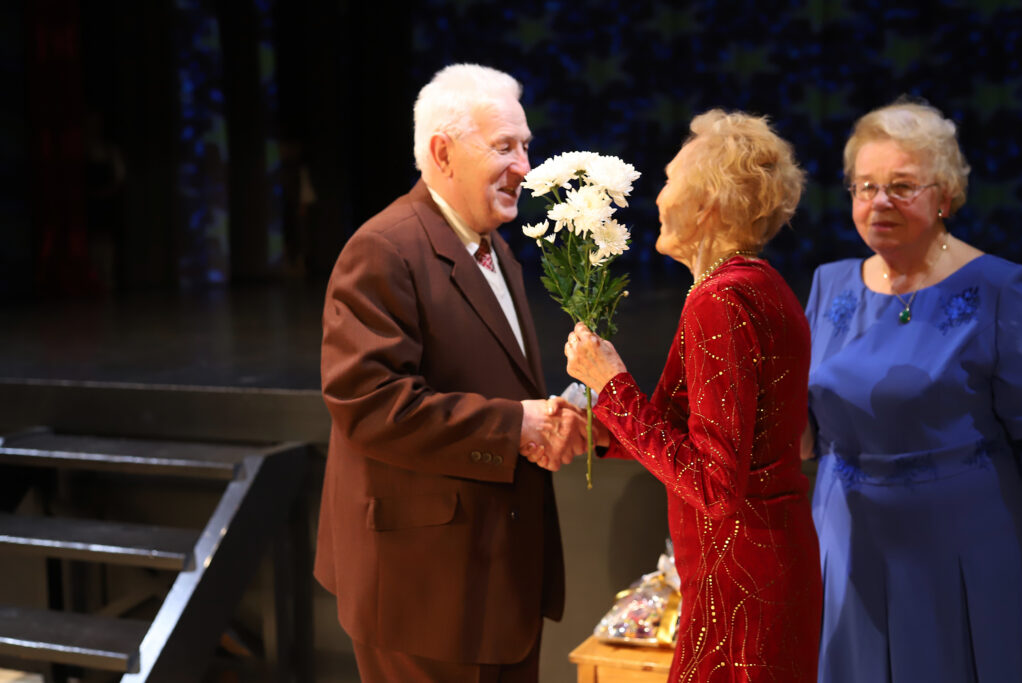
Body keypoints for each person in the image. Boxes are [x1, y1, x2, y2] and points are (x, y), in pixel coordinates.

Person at [313, 63, 588, 683]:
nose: (525, 167)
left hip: (494, 581)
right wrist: (516, 426)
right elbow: (370, 404)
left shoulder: (497, 251)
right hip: (424, 591)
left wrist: (545, 422)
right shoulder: (384, 249)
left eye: (526, 147)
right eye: (505, 147)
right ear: (442, 153)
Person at [563, 110, 822, 681]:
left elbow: (713, 484)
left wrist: (611, 384)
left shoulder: (720, 302)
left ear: (707, 205)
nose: (657, 197)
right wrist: (602, 430)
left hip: (738, 584)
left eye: (667, 179)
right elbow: (706, 444)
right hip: (761, 566)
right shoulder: (761, 286)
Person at [803, 98, 1022, 682]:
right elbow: (800, 428)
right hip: (845, 538)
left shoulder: (1000, 288)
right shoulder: (828, 283)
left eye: (901, 186)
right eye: (865, 186)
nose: (879, 202)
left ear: (945, 194)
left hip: (960, 544)